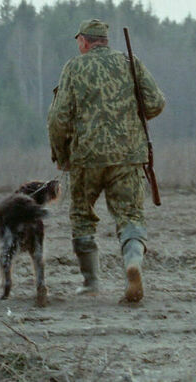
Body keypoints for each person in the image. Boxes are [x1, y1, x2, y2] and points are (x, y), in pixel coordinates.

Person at [48, 19, 165, 303]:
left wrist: (61, 156)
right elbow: (156, 103)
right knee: (131, 216)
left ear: (84, 42)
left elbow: (58, 118)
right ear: (105, 41)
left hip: (85, 159)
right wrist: (128, 117)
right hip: (128, 156)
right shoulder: (130, 63)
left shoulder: (74, 68)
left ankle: (91, 282)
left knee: (81, 216)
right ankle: (132, 263)